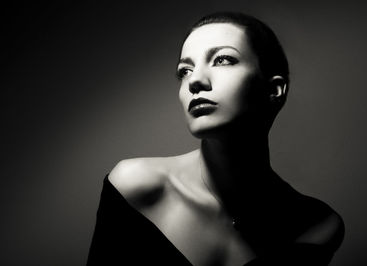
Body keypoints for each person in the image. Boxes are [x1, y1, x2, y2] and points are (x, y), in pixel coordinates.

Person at [87, 12, 345, 266]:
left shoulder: (318, 225)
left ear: (274, 90)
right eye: (185, 71)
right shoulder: (137, 187)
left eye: (223, 59)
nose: (195, 81)